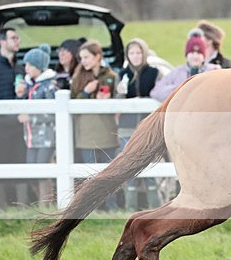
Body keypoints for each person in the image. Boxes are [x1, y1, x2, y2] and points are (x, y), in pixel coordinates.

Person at [70, 40, 121, 210]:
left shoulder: (112, 77)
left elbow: (121, 99)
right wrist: (86, 92)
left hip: (107, 132)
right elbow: (71, 104)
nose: (83, 61)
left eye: (86, 57)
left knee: (110, 174)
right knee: (90, 175)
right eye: (81, 58)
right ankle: (92, 209)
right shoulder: (77, 78)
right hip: (86, 134)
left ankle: (112, 207)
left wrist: (109, 101)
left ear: (97, 56)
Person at [117, 38, 161, 210]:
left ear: (144, 53)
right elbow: (118, 99)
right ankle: (130, 208)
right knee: (129, 165)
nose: (135, 56)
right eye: (132, 53)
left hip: (148, 126)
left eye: (138, 52)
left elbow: (157, 94)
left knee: (150, 165)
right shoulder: (122, 74)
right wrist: (120, 93)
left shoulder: (153, 73)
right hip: (127, 125)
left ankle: (155, 207)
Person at [17, 44, 57, 206]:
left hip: (46, 137)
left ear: (39, 67)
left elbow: (52, 112)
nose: (25, 68)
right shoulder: (29, 86)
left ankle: (45, 205)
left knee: (42, 171)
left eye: (29, 65)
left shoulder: (49, 86)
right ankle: (47, 201)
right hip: (32, 137)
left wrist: (30, 116)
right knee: (31, 171)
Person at [0, 27, 30, 209]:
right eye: (13, 38)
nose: (18, 41)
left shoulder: (20, 67)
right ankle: (0, 207)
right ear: (2, 42)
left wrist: (21, 96)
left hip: (18, 128)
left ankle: (22, 207)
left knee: (21, 164)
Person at [150, 36, 220, 102]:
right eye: (192, 53)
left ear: (203, 56)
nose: (195, 56)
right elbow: (155, 92)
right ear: (187, 55)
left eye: (199, 53)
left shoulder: (214, 71)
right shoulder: (176, 72)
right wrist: (179, 89)